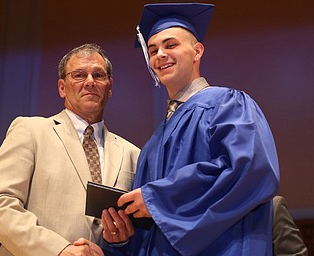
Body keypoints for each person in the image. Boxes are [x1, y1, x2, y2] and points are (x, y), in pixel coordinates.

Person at [100, 3, 280, 256]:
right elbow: (149, 223)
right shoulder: (154, 141)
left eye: (170, 45)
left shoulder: (227, 104)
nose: (159, 55)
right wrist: (120, 238)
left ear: (197, 51)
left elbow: (252, 171)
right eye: (153, 50)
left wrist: (157, 199)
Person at [0, 43, 140, 256]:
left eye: (98, 75)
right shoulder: (31, 131)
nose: (90, 82)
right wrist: (58, 250)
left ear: (110, 87)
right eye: (79, 75)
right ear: (62, 87)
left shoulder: (132, 154)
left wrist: (118, 241)